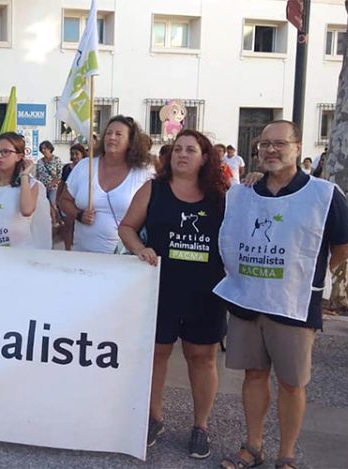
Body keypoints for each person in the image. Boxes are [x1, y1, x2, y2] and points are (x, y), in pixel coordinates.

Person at [215, 121, 348, 469]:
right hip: (248, 300)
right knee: (254, 375)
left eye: (279, 143)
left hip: (293, 304)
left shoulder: (324, 194)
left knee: (292, 383)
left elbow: (346, 247)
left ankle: (287, 455)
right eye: (264, 144)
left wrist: (308, 276)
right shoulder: (244, 192)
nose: (271, 150)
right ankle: (253, 446)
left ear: (297, 146)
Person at [119, 129, 228, 459]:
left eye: (191, 149)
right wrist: (139, 248)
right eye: (178, 149)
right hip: (161, 289)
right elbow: (126, 227)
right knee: (156, 355)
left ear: (204, 157)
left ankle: (201, 426)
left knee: (203, 358)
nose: (182, 154)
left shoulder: (221, 196)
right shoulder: (153, 189)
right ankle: (154, 418)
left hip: (205, 293)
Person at [60, 115, 155, 253]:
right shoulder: (85, 166)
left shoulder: (144, 172)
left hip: (123, 258)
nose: (112, 137)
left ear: (131, 141)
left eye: (118, 134)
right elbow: (64, 200)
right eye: (108, 133)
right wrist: (79, 215)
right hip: (82, 255)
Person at [0, 132, 51, 249]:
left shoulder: (30, 185)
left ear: (19, 156)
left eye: (6, 152)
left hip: (20, 253)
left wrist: (25, 175)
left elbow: (26, 210)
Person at [57, 143, 86, 250]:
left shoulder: (86, 168)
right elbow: (62, 183)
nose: (74, 156)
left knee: (78, 226)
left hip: (80, 201)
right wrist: (58, 199)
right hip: (68, 200)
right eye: (72, 154)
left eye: (76, 154)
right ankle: (68, 248)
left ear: (82, 154)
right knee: (67, 226)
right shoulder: (67, 168)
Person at [36, 140, 63, 226]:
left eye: (45, 148)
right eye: (42, 148)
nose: (43, 150)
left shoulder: (57, 160)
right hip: (42, 187)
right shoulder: (40, 161)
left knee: (53, 203)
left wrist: (51, 184)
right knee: (45, 205)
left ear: (50, 148)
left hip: (54, 187)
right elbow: (37, 174)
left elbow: (60, 175)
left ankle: (56, 220)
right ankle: (51, 221)